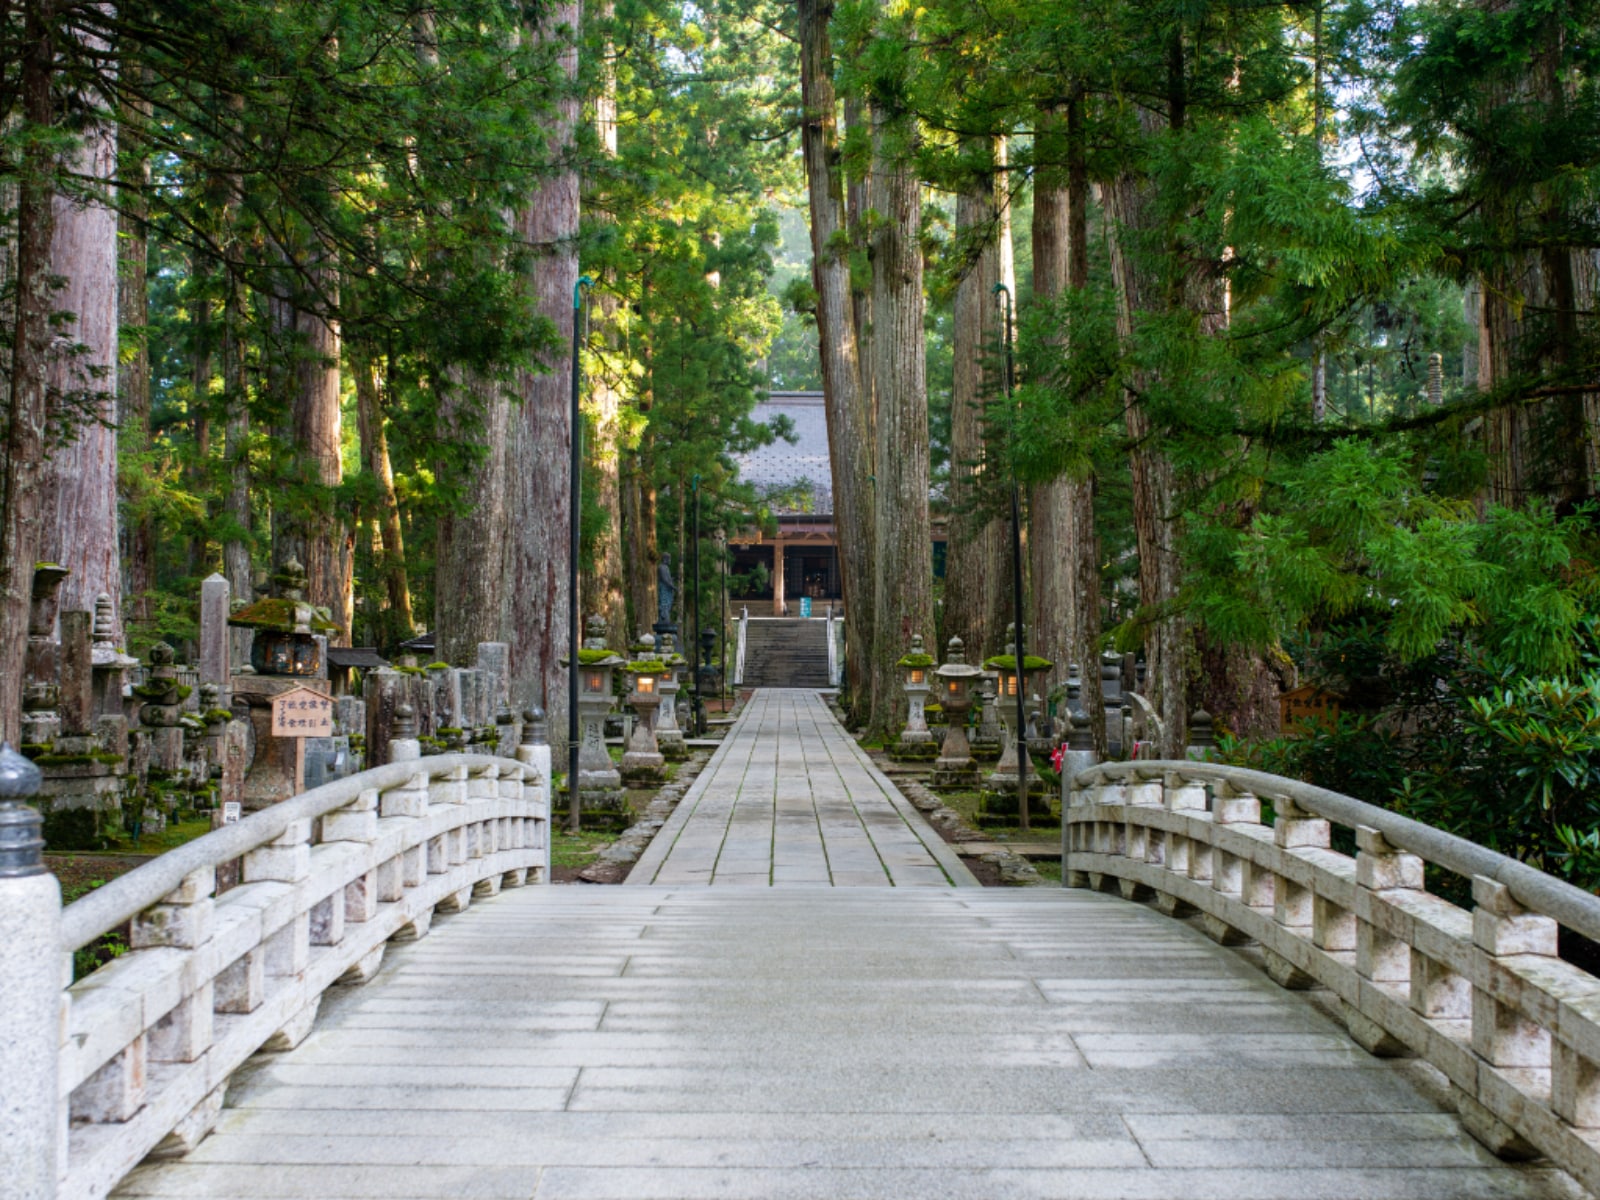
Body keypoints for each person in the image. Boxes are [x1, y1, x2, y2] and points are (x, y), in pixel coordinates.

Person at [657, 554, 677, 626]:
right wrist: (673, 587)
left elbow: (668, 579)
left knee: (668, 604)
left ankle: (666, 619)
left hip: (667, 590)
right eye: (669, 559)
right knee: (664, 603)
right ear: (665, 559)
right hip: (664, 589)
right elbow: (665, 580)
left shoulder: (666, 568)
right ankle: (664, 619)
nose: (670, 561)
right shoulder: (661, 567)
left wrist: (674, 578)